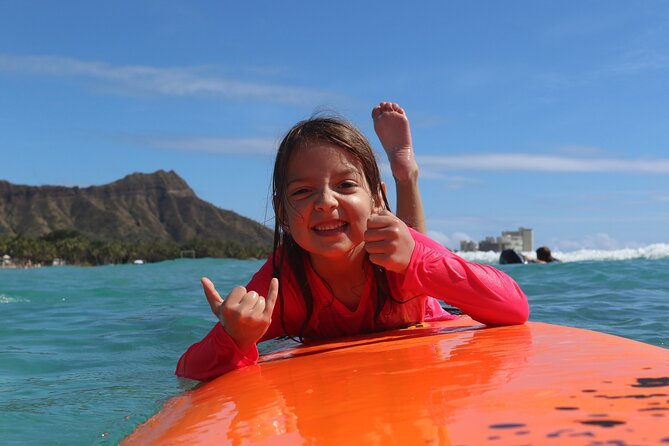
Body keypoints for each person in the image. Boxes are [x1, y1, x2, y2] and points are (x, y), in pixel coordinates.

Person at [176, 102, 529, 381]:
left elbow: (514, 308)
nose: (325, 201)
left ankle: (406, 175)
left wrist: (417, 260)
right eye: (302, 191)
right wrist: (235, 336)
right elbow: (189, 369)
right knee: (399, 245)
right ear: (281, 214)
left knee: (403, 245)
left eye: (345, 185)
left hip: (423, 314)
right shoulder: (282, 285)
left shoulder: (405, 257)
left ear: (377, 198)